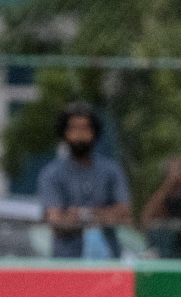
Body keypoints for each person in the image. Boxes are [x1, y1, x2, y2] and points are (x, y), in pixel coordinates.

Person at [37, 102, 132, 259]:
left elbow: (124, 212)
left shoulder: (110, 170)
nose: (79, 135)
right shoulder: (52, 173)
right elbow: (55, 220)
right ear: (64, 133)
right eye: (73, 129)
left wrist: (82, 215)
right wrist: (101, 216)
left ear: (94, 132)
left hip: (108, 260)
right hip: (67, 263)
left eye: (85, 128)